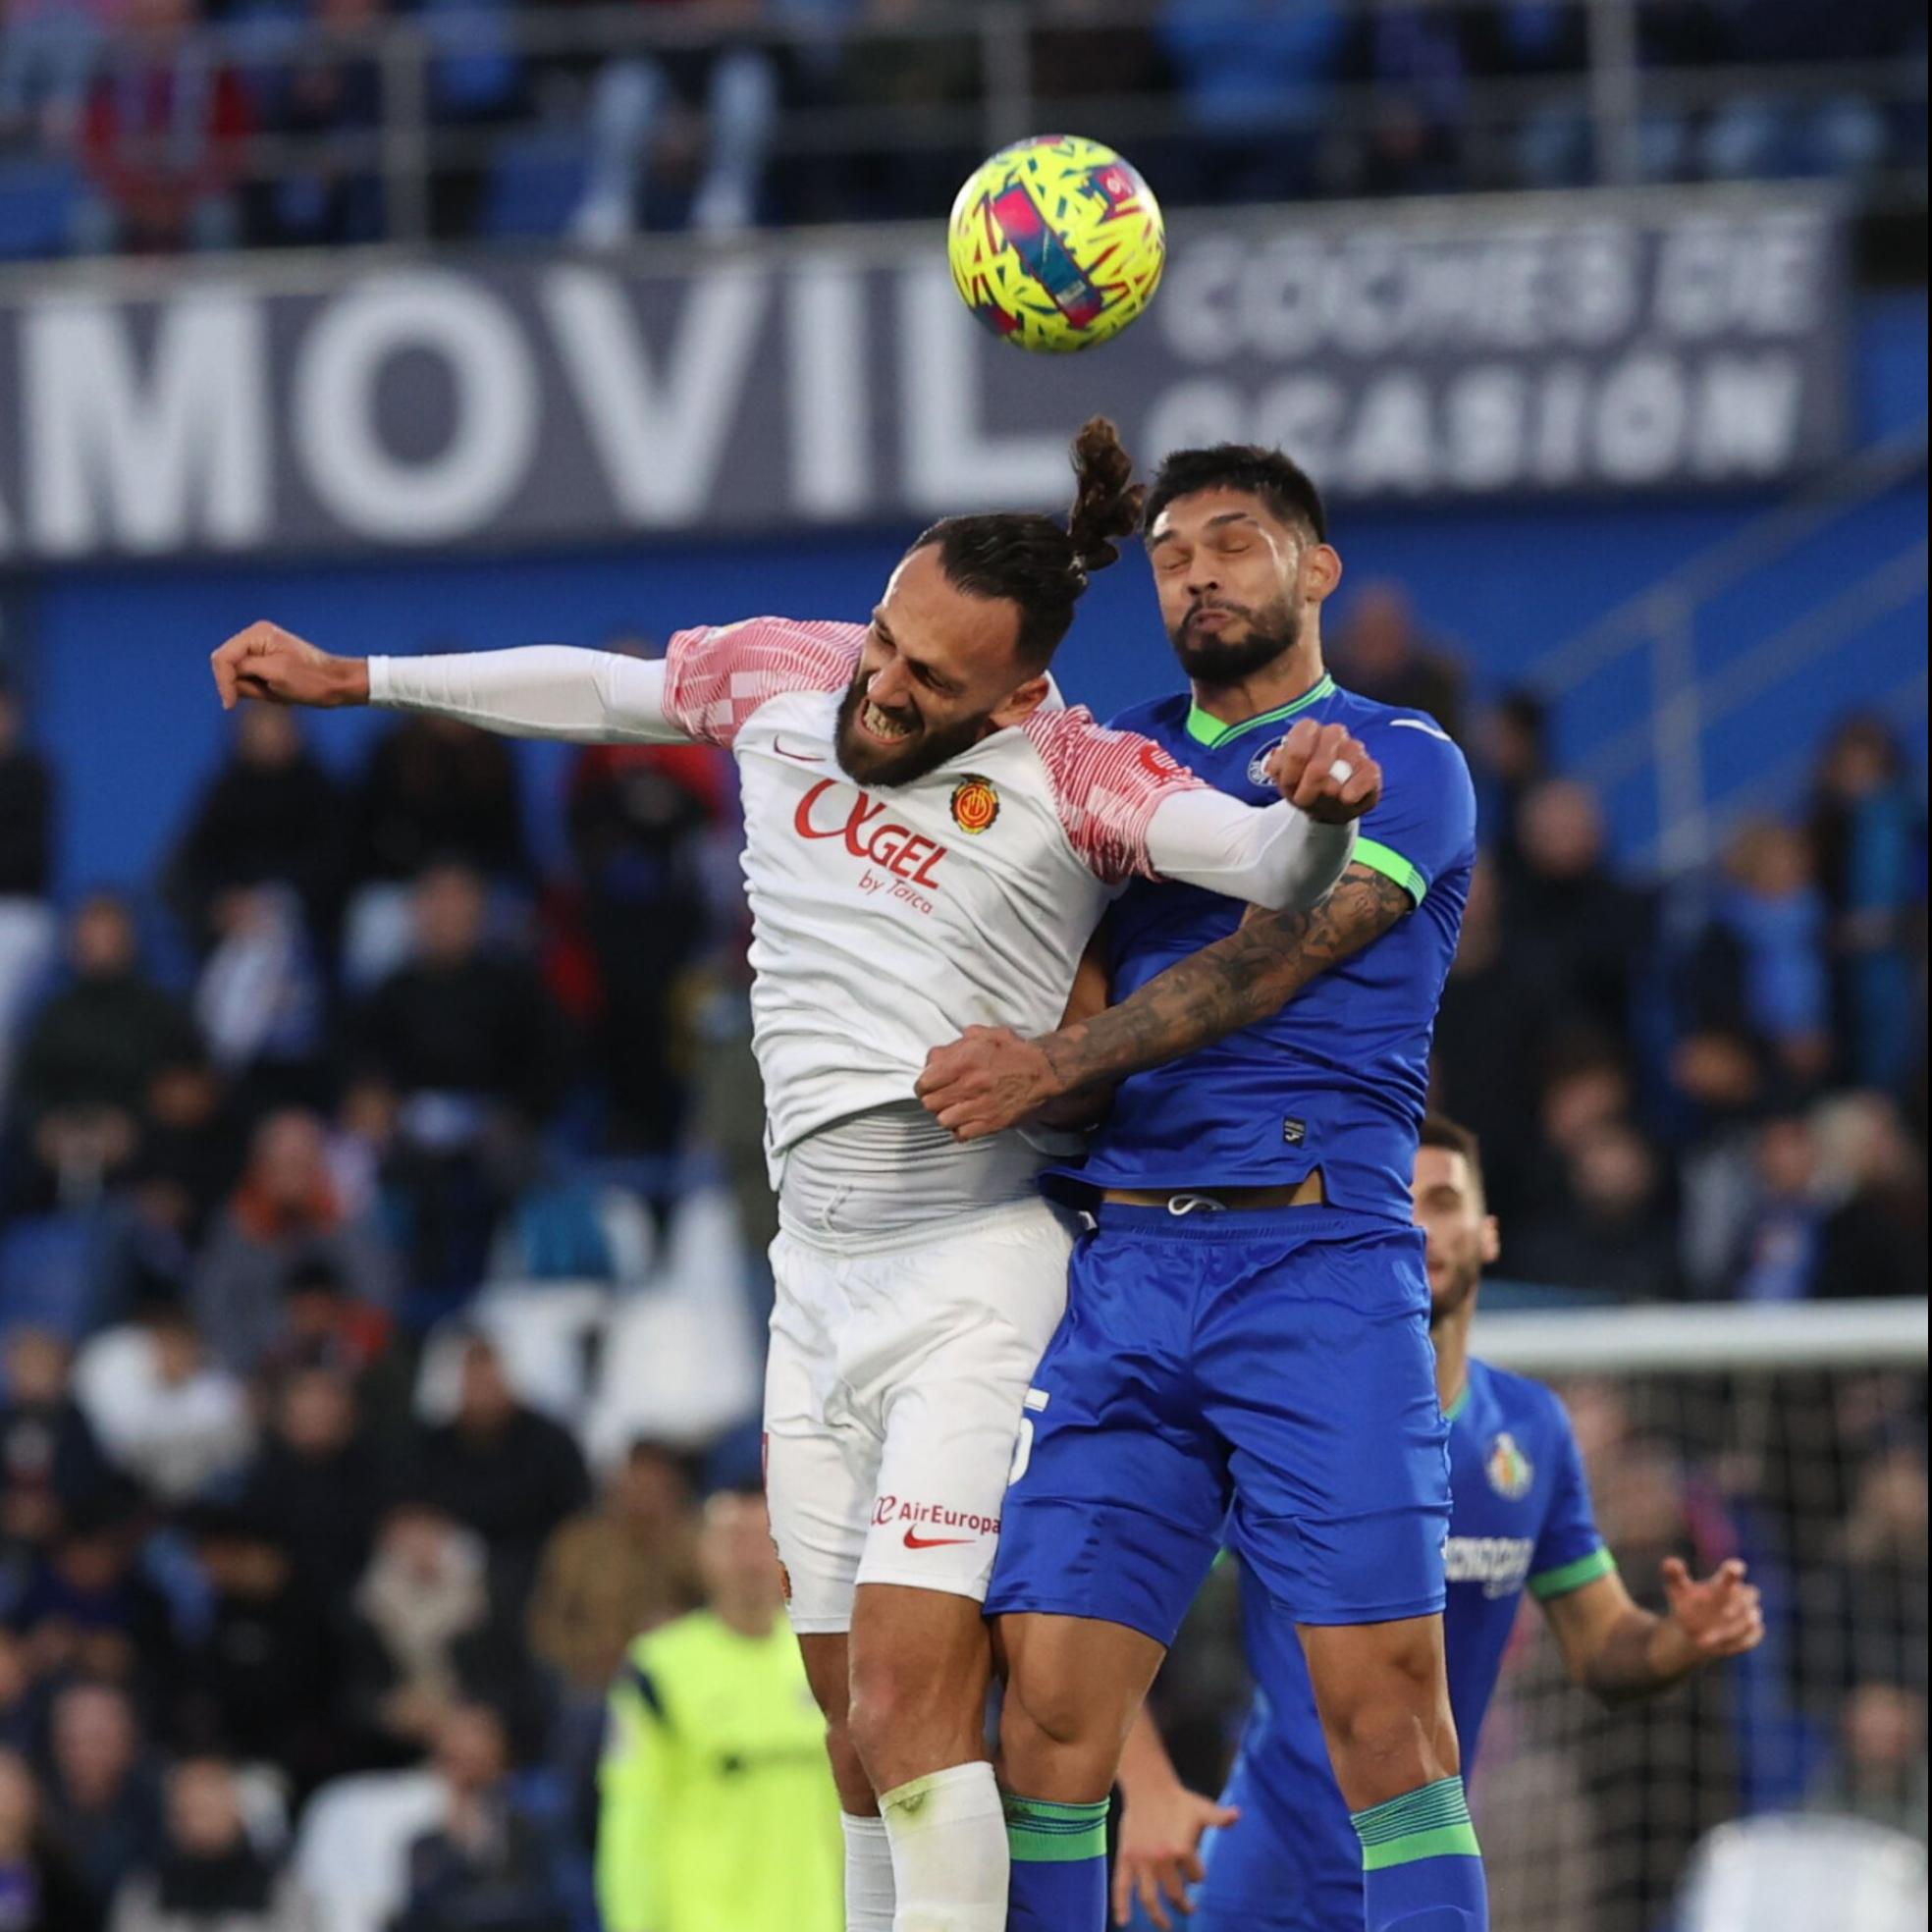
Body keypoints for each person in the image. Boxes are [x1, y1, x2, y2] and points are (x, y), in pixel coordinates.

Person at [207, 415, 1380, 1932]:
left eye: (930, 683)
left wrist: (1321, 811)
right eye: (886, 641)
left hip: (972, 1283)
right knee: (855, 1739)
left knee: (907, 1711)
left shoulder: (1082, 775)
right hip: (811, 1293)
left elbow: (1270, 873)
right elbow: (604, 690)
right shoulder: (783, 670)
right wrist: (357, 677)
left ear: (1018, 693)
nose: (882, 689)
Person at [914, 442, 1484, 1932]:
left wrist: (1054, 1063)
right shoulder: (1121, 772)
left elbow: (1277, 954)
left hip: (1316, 1273)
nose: (1201, 576)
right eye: (1172, 557)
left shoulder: (1398, 759)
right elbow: (1054, 963)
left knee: (1384, 1717)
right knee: (1043, 1720)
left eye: (1236, 543)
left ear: (1317, 568)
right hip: (1123, 1281)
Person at [1113, 1115, 1767, 1931]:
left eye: (1442, 1199)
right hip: (1267, 1869)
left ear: (1487, 1233)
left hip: (1429, 1858)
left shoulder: (1530, 1428)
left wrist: (1681, 1639)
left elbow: (1603, 1649)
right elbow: (1104, 1611)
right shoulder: (1278, 1425)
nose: (1418, 1222)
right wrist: (1146, 1789)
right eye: (1393, 1197)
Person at [597, 1485, 842, 1932]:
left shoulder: (827, 1659)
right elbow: (632, 1819)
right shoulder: (658, 1671)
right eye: (733, 1540)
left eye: (764, 1541)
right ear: (702, 1551)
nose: (749, 1561)